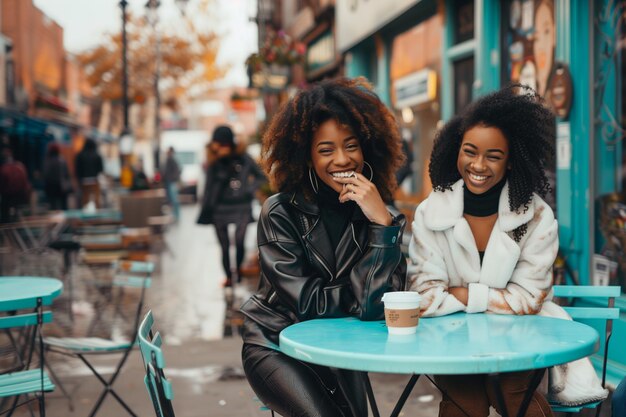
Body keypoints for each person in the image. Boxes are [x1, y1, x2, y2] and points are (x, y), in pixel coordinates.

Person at [407, 85, 607, 417]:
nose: (478, 165)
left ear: (512, 161)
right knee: (463, 402)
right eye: (470, 151)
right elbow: (424, 296)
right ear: (456, 151)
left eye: (493, 155)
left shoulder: (537, 217)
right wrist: (496, 297)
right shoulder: (432, 213)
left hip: (521, 339)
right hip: (452, 340)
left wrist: (464, 295)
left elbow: (529, 299)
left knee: (515, 395)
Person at [240, 77, 408, 417]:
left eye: (351, 146)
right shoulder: (281, 212)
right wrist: (356, 300)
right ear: (306, 157)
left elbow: (379, 308)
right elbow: (308, 304)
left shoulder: (383, 217)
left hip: (340, 347)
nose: (342, 160)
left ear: (367, 147)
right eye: (326, 150)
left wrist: (381, 228)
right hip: (277, 342)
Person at [197, 125, 267, 287]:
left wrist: (248, 190)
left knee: (240, 241)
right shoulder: (213, 161)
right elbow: (209, 186)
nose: (220, 148)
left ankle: (238, 272)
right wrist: (206, 207)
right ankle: (229, 277)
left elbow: (260, 176)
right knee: (224, 246)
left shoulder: (244, 158)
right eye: (218, 145)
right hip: (219, 208)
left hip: (241, 206)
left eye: (223, 145)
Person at [0, 146, 31, 222]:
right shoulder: (20, 166)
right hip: (19, 195)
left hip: (8, 196)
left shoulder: (3, 169)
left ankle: (8, 228)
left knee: (5, 213)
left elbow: (2, 186)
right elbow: (25, 183)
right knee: (15, 212)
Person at [74, 138, 104, 208]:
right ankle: (97, 213)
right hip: (95, 180)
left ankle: (85, 214)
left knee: (85, 199)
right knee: (96, 199)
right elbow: (101, 169)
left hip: (84, 181)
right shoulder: (97, 155)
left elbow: (77, 169)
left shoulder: (80, 155)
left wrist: (79, 179)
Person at [43, 142, 72, 210]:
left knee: (53, 206)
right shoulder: (62, 160)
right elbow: (67, 174)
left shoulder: (47, 161)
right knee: (64, 206)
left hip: (51, 187)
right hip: (62, 186)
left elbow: (46, 174)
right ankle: (65, 219)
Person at [162, 146, 182, 221]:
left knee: (174, 200)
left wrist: (173, 178)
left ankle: (176, 215)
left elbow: (177, 170)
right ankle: (175, 215)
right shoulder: (170, 159)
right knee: (172, 200)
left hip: (171, 182)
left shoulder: (172, 159)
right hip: (170, 181)